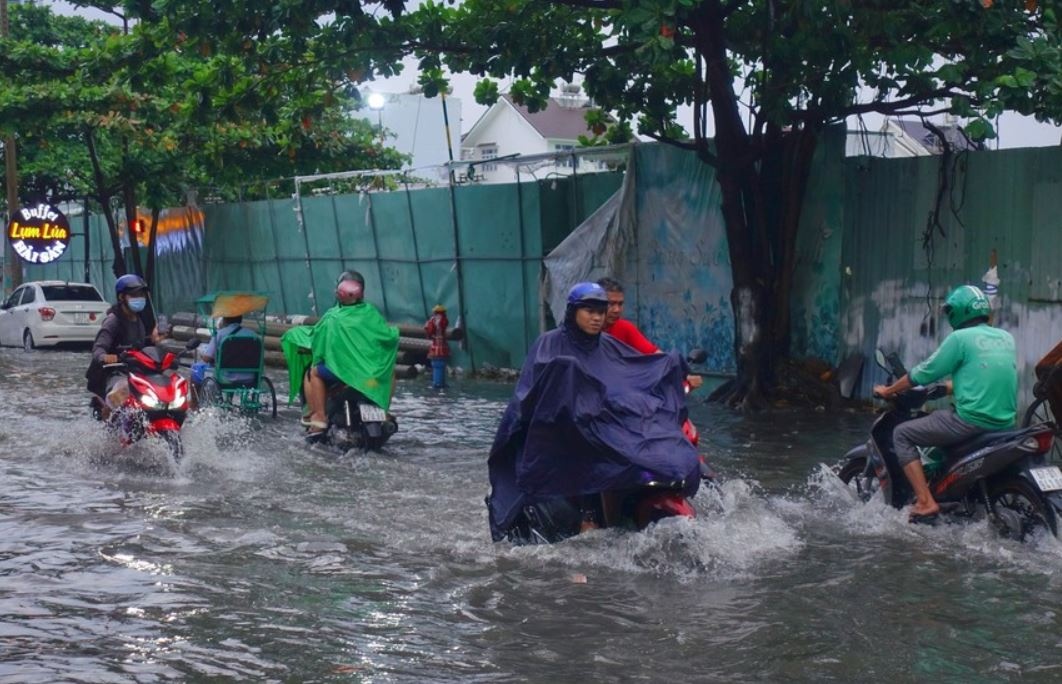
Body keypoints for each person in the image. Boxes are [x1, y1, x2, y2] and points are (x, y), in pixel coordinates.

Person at [487, 281, 700, 541]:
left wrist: (672, 368)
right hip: (558, 425)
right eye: (590, 311)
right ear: (573, 311)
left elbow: (634, 370)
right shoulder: (549, 344)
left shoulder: (608, 345)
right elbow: (533, 390)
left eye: (601, 312)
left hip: (602, 419)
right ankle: (588, 515)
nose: (597, 318)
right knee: (585, 442)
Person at [873, 285, 1018, 521]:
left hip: (970, 422)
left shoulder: (960, 338)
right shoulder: (1005, 337)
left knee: (902, 434)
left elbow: (923, 373)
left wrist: (888, 390)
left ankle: (925, 501)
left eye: (950, 311)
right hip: (1005, 424)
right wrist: (949, 387)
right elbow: (985, 375)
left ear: (959, 311)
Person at [291, 271, 399, 436]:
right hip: (370, 376)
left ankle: (319, 417)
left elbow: (317, 340)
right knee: (390, 372)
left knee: (314, 372)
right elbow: (388, 338)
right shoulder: (371, 313)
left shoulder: (332, 317)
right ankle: (383, 410)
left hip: (342, 373)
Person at [597, 277, 703, 390]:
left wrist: (683, 374)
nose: (617, 310)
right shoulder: (585, 334)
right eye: (611, 304)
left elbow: (657, 356)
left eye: (620, 304)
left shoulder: (624, 327)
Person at [86, 274, 162, 418]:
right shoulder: (113, 320)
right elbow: (98, 348)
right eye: (134, 295)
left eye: (141, 295)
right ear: (121, 297)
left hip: (136, 372)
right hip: (113, 373)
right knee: (122, 389)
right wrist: (105, 357)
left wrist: (154, 341)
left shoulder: (139, 320)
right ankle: (107, 423)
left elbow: (141, 347)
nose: (140, 298)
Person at [192, 315, 260, 387]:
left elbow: (207, 358)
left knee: (195, 368)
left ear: (225, 320)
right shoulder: (253, 335)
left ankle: (196, 394)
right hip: (250, 378)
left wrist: (202, 355)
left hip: (226, 378)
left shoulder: (220, 334)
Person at [424, 304, 450, 389]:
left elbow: (427, 329)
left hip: (435, 344)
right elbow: (444, 325)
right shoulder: (443, 320)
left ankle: (437, 382)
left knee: (436, 363)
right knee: (440, 363)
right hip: (442, 344)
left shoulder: (432, 320)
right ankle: (440, 383)